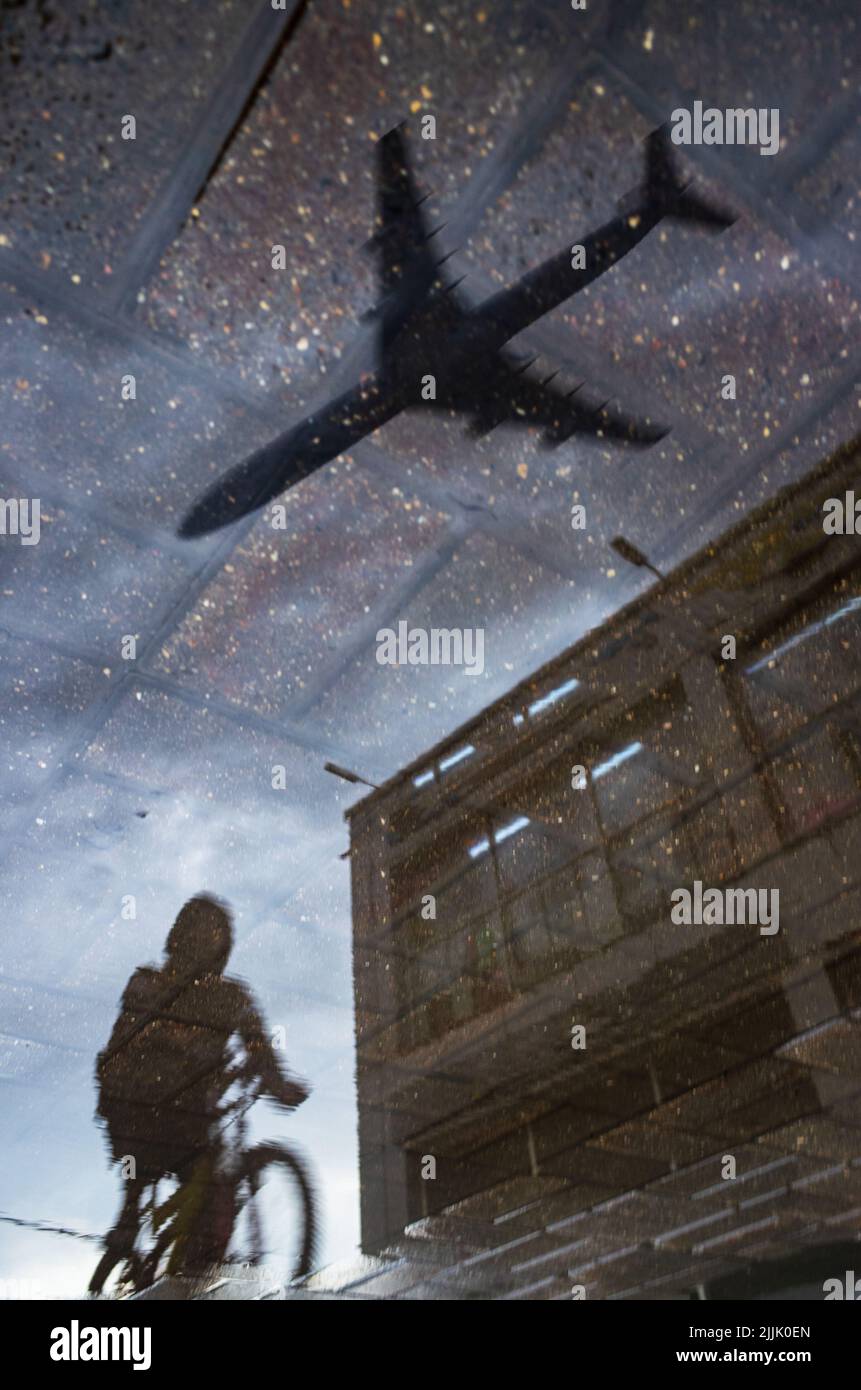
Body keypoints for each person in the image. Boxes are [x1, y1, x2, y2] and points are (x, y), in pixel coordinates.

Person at [89, 894, 309, 1293]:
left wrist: (278, 1082)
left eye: (214, 938)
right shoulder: (151, 984)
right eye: (202, 936)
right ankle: (134, 1222)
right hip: (140, 1114)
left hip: (181, 1118)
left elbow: (258, 1046)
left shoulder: (229, 997)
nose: (205, 947)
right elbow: (124, 1049)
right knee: (179, 1178)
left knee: (207, 1186)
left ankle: (183, 1252)